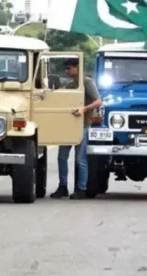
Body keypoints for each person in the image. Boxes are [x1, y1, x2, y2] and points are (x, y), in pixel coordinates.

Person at [50, 58, 102, 200]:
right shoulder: (71, 85)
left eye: (69, 68)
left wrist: (84, 109)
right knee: (62, 157)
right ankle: (63, 186)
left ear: (78, 67)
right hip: (68, 125)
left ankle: (81, 188)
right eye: (66, 68)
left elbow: (98, 101)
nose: (67, 71)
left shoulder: (87, 82)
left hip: (83, 125)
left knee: (80, 159)